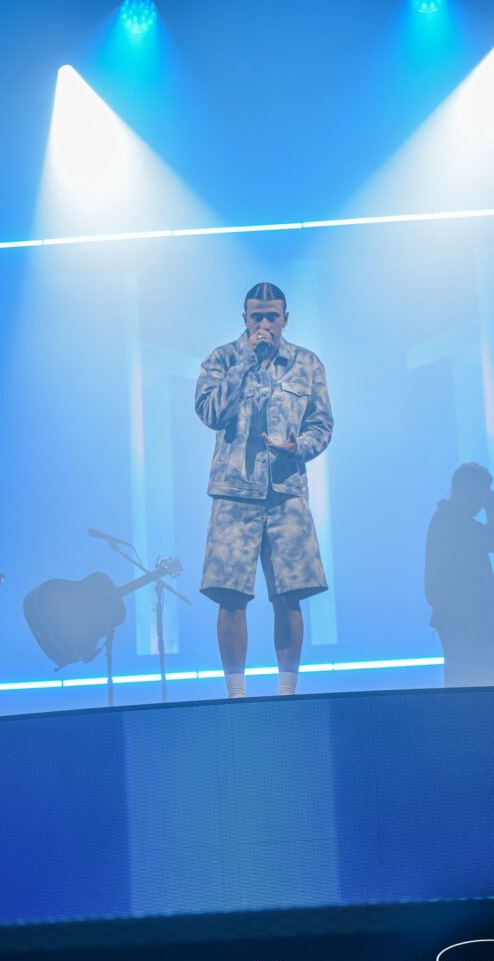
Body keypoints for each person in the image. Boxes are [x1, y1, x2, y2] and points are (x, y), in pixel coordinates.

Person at [195, 282, 333, 698]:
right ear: (244, 319)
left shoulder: (307, 364)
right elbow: (210, 413)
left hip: (285, 491)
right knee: (230, 596)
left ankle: (287, 692)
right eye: (257, 317)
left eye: (272, 316)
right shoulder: (221, 359)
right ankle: (236, 694)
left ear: (285, 319)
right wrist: (244, 363)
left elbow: (321, 424)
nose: (265, 325)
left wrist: (298, 448)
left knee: (289, 595)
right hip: (234, 493)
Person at [425, 463, 494, 687]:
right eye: (481, 494)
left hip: (463, 620)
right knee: (485, 683)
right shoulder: (451, 520)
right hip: (465, 621)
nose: (482, 502)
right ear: (468, 490)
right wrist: (493, 511)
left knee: (474, 684)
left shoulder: (448, 519)